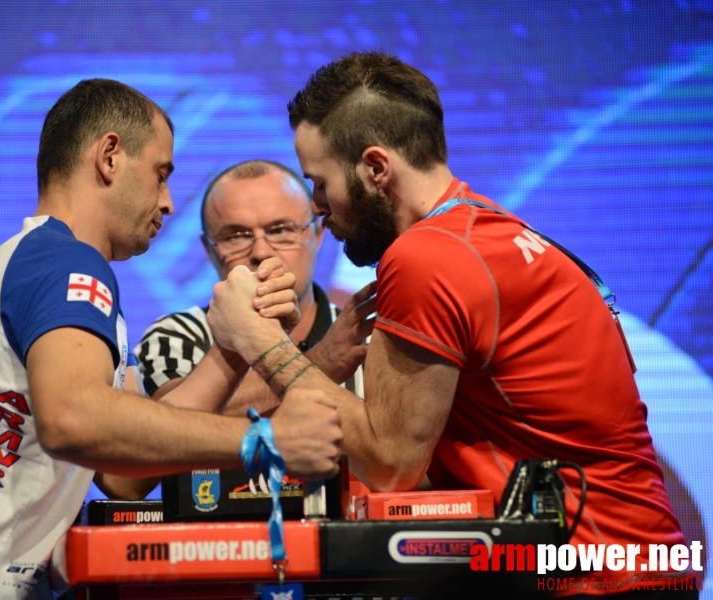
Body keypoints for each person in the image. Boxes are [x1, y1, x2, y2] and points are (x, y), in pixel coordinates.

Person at [206, 52, 695, 597]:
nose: (319, 207)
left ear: (375, 169)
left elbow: (390, 465)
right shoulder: (490, 231)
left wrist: (254, 338)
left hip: (596, 579)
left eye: (320, 183)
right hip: (639, 562)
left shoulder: (427, 258)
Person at [0, 79, 342, 600]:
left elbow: (121, 476)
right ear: (109, 157)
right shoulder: (68, 265)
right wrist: (264, 441)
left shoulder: (32, 260)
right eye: (161, 175)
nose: (168, 203)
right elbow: (75, 418)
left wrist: (233, 348)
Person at [135, 159, 374, 410]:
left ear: (317, 236)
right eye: (236, 235)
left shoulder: (368, 339)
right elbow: (167, 427)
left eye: (281, 230)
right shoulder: (175, 336)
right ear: (209, 251)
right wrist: (322, 362)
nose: (261, 251)